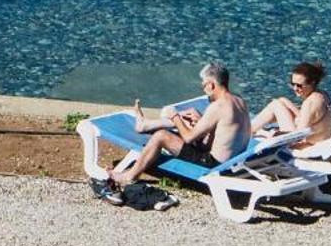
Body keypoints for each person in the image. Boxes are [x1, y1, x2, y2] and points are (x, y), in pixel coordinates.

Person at [94, 61, 252, 206]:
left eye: (203, 86)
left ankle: (129, 176)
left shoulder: (218, 107)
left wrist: (175, 116)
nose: (204, 90)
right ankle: (145, 125)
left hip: (213, 163)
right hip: (233, 161)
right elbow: (225, 130)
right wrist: (198, 119)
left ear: (211, 85)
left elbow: (189, 138)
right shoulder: (239, 101)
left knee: (161, 136)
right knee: (189, 120)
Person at [252, 60, 331, 143]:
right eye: (293, 84)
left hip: (307, 145)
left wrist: (271, 135)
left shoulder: (310, 103)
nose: (295, 88)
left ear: (312, 82)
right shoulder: (323, 94)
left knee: (276, 105)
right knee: (282, 101)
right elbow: (311, 118)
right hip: (321, 138)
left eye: (299, 85)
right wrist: (286, 104)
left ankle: (248, 131)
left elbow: (297, 137)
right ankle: (251, 129)